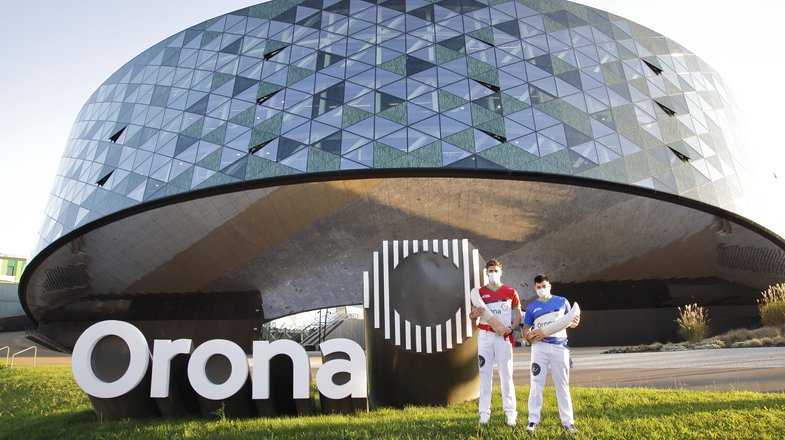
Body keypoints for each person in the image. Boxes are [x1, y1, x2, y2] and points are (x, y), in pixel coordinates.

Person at [522, 273, 580, 433]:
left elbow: (572, 321)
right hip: (540, 348)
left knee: (562, 385)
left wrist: (575, 322)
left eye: (544, 286)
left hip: (560, 347)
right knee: (536, 384)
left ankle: (568, 423)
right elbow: (526, 329)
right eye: (539, 287)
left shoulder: (562, 302)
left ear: (549, 285)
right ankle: (533, 420)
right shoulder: (532, 307)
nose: (542, 289)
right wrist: (528, 336)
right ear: (535, 288)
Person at [469, 259, 522, 426]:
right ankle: (484, 413)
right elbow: (472, 316)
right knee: (485, 375)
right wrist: (474, 315)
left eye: (495, 270)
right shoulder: (479, 293)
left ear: (501, 272)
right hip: (485, 336)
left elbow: (518, 314)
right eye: (490, 271)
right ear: (486, 273)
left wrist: (511, 328)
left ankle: (510, 412)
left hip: (502, 337)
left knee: (506, 374)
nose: (493, 273)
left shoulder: (510, 291)